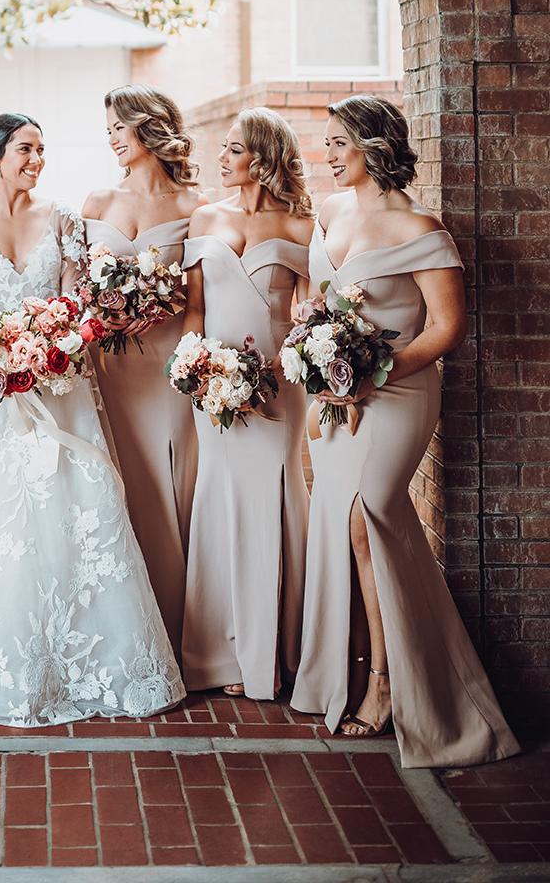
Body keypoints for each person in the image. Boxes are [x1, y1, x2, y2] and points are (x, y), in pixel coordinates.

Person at [291, 95, 519, 768]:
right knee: (349, 528)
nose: (328, 156)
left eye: (338, 143)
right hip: (337, 395)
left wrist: (375, 374)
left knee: (370, 517)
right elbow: (318, 301)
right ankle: (350, 670)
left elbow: (446, 328)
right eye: (326, 144)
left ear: (375, 146)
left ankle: (393, 685)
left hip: (399, 392)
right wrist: (311, 341)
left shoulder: (421, 227)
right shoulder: (329, 213)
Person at [0, 113, 184, 726]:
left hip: (59, 384)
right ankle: (8, 649)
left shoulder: (63, 219)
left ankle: (99, 650)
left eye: (43, 149)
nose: (37, 160)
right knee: (1, 519)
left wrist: (50, 344)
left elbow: (78, 304)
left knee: (73, 508)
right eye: (26, 149)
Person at [179, 108, 313, 700]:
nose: (222, 158)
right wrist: (195, 366)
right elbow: (196, 311)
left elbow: (310, 316)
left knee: (274, 498)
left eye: (233, 150)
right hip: (210, 386)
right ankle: (217, 653)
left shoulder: (304, 226)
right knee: (217, 496)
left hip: (278, 388)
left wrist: (283, 368)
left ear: (260, 158)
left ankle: (273, 649)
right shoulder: (204, 216)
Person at [81, 85, 206, 650]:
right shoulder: (97, 202)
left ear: (148, 128)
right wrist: (103, 310)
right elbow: (78, 287)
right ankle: (125, 628)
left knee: (172, 482)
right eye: (106, 129)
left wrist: (165, 304)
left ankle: (180, 626)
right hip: (108, 364)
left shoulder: (194, 206)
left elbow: (200, 297)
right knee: (118, 483)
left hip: (167, 365)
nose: (111, 139)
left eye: (117, 128)